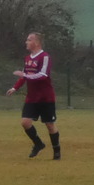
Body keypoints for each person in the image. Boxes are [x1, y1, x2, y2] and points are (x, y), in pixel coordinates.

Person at [5, 32, 61, 160]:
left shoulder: (44, 57)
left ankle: (57, 150)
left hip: (46, 97)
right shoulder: (27, 58)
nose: (26, 42)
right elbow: (24, 76)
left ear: (36, 42)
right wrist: (15, 87)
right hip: (32, 97)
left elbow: (43, 75)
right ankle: (38, 144)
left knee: (49, 125)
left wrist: (25, 75)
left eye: (29, 40)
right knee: (25, 122)